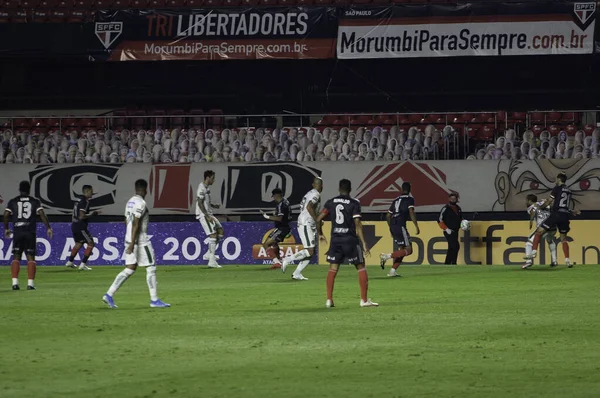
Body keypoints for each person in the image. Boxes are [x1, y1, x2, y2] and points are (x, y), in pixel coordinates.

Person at [102, 179, 170, 309]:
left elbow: (126, 220)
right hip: (141, 241)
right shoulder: (141, 203)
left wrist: (129, 239)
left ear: (135, 189)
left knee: (130, 268)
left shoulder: (130, 202)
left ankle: (109, 294)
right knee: (151, 267)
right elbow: (136, 223)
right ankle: (154, 300)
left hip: (129, 238)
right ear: (146, 189)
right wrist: (133, 242)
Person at [316, 179, 378, 308]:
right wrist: (364, 243)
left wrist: (320, 233)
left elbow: (318, 219)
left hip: (336, 240)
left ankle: (329, 300)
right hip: (350, 240)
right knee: (361, 267)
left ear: (339, 189)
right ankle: (364, 300)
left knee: (333, 268)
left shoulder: (331, 202)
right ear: (350, 189)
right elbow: (358, 224)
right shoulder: (354, 203)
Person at [3, 181, 52, 290]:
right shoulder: (35, 201)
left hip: (18, 231)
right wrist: (48, 227)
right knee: (30, 257)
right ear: (29, 189)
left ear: (19, 189)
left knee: (16, 256)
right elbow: (42, 214)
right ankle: (30, 284)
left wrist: (6, 228)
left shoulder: (13, 201)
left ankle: (14, 283)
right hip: (30, 232)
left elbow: (6, 215)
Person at [526, 172, 580, 268]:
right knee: (563, 239)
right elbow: (564, 205)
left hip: (556, 214)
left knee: (539, 231)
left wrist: (541, 207)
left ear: (559, 179)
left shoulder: (557, 188)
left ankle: (533, 251)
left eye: (556, 179)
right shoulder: (569, 190)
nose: (555, 180)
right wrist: (572, 211)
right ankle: (567, 260)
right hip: (565, 215)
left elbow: (549, 201)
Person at [281, 177, 323, 280]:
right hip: (306, 222)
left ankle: (297, 273)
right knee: (310, 251)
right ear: (320, 186)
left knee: (311, 251)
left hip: (307, 222)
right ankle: (287, 259)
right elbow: (309, 207)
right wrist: (317, 218)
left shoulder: (309, 193)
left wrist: (318, 223)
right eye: (319, 184)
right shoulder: (315, 195)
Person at [379, 182, 420, 277]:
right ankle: (386, 256)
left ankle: (392, 272)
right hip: (401, 225)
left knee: (401, 249)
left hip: (393, 225)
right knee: (409, 250)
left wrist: (391, 228)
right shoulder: (410, 199)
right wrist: (416, 226)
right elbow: (411, 211)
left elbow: (388, 215)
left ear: (402, 189)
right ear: (410, 189)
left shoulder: (396, 200)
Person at [65, 185, 101, 271]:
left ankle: (70, 262)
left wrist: (74, 223)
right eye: (91, 191)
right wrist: (93, 214)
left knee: (79, 243)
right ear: (87, 191)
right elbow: (81, 216)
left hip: (74, 225)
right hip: (81, 226)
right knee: (91, 243)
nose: (92, 193)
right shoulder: (85, 202)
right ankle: (83, 264)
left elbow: (73, 214)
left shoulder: (77, 201)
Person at [196, 170, 224, 268]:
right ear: (207, 178)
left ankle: (209, 253)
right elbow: (199, 203)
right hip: (204, 215)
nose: (214, 180)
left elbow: (204, 201)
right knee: (213, 235)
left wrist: (213, 205)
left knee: (220, 231)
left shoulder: (206, 188)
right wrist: (206, 216)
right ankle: (211, 261)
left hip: (209, 213)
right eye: (212, 178)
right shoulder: (201, 187)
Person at [522, 194, 557, 269]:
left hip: (543, 227)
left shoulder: (530, 207)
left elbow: (532, 212)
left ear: (530, 201)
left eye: (526, 200)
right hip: (552, 225)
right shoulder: (542, 202)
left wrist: (531, 220)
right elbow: (550, 205)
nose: (525, 202)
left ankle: (529, 262)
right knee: (550, 240)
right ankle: (554, 260)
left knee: (528, 243)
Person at [260, 188, 291, 270]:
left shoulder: (281, 204)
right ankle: (279, 261)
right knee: (274, 244)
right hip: (285, 227)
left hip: (281, 228)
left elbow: (280, 218)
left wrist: (267, 216)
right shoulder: (286, 202)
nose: (274, 198)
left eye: (273, 196)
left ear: (276, 195)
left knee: (265, 244)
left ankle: (277, 262)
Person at [438, 193, 463, 265]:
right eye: (451, 199)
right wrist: (446, 229)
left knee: (452, 247)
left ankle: (448, 263)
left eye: (454, 199)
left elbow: (460, 219)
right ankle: (453, 263)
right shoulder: (445, 208)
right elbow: (440, 220)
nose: (453, 200)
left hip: (456, 231)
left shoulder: (458, 208)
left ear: (456, 199)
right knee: (455, 246)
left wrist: (464, 225)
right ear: (449, 199)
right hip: (448, 231)